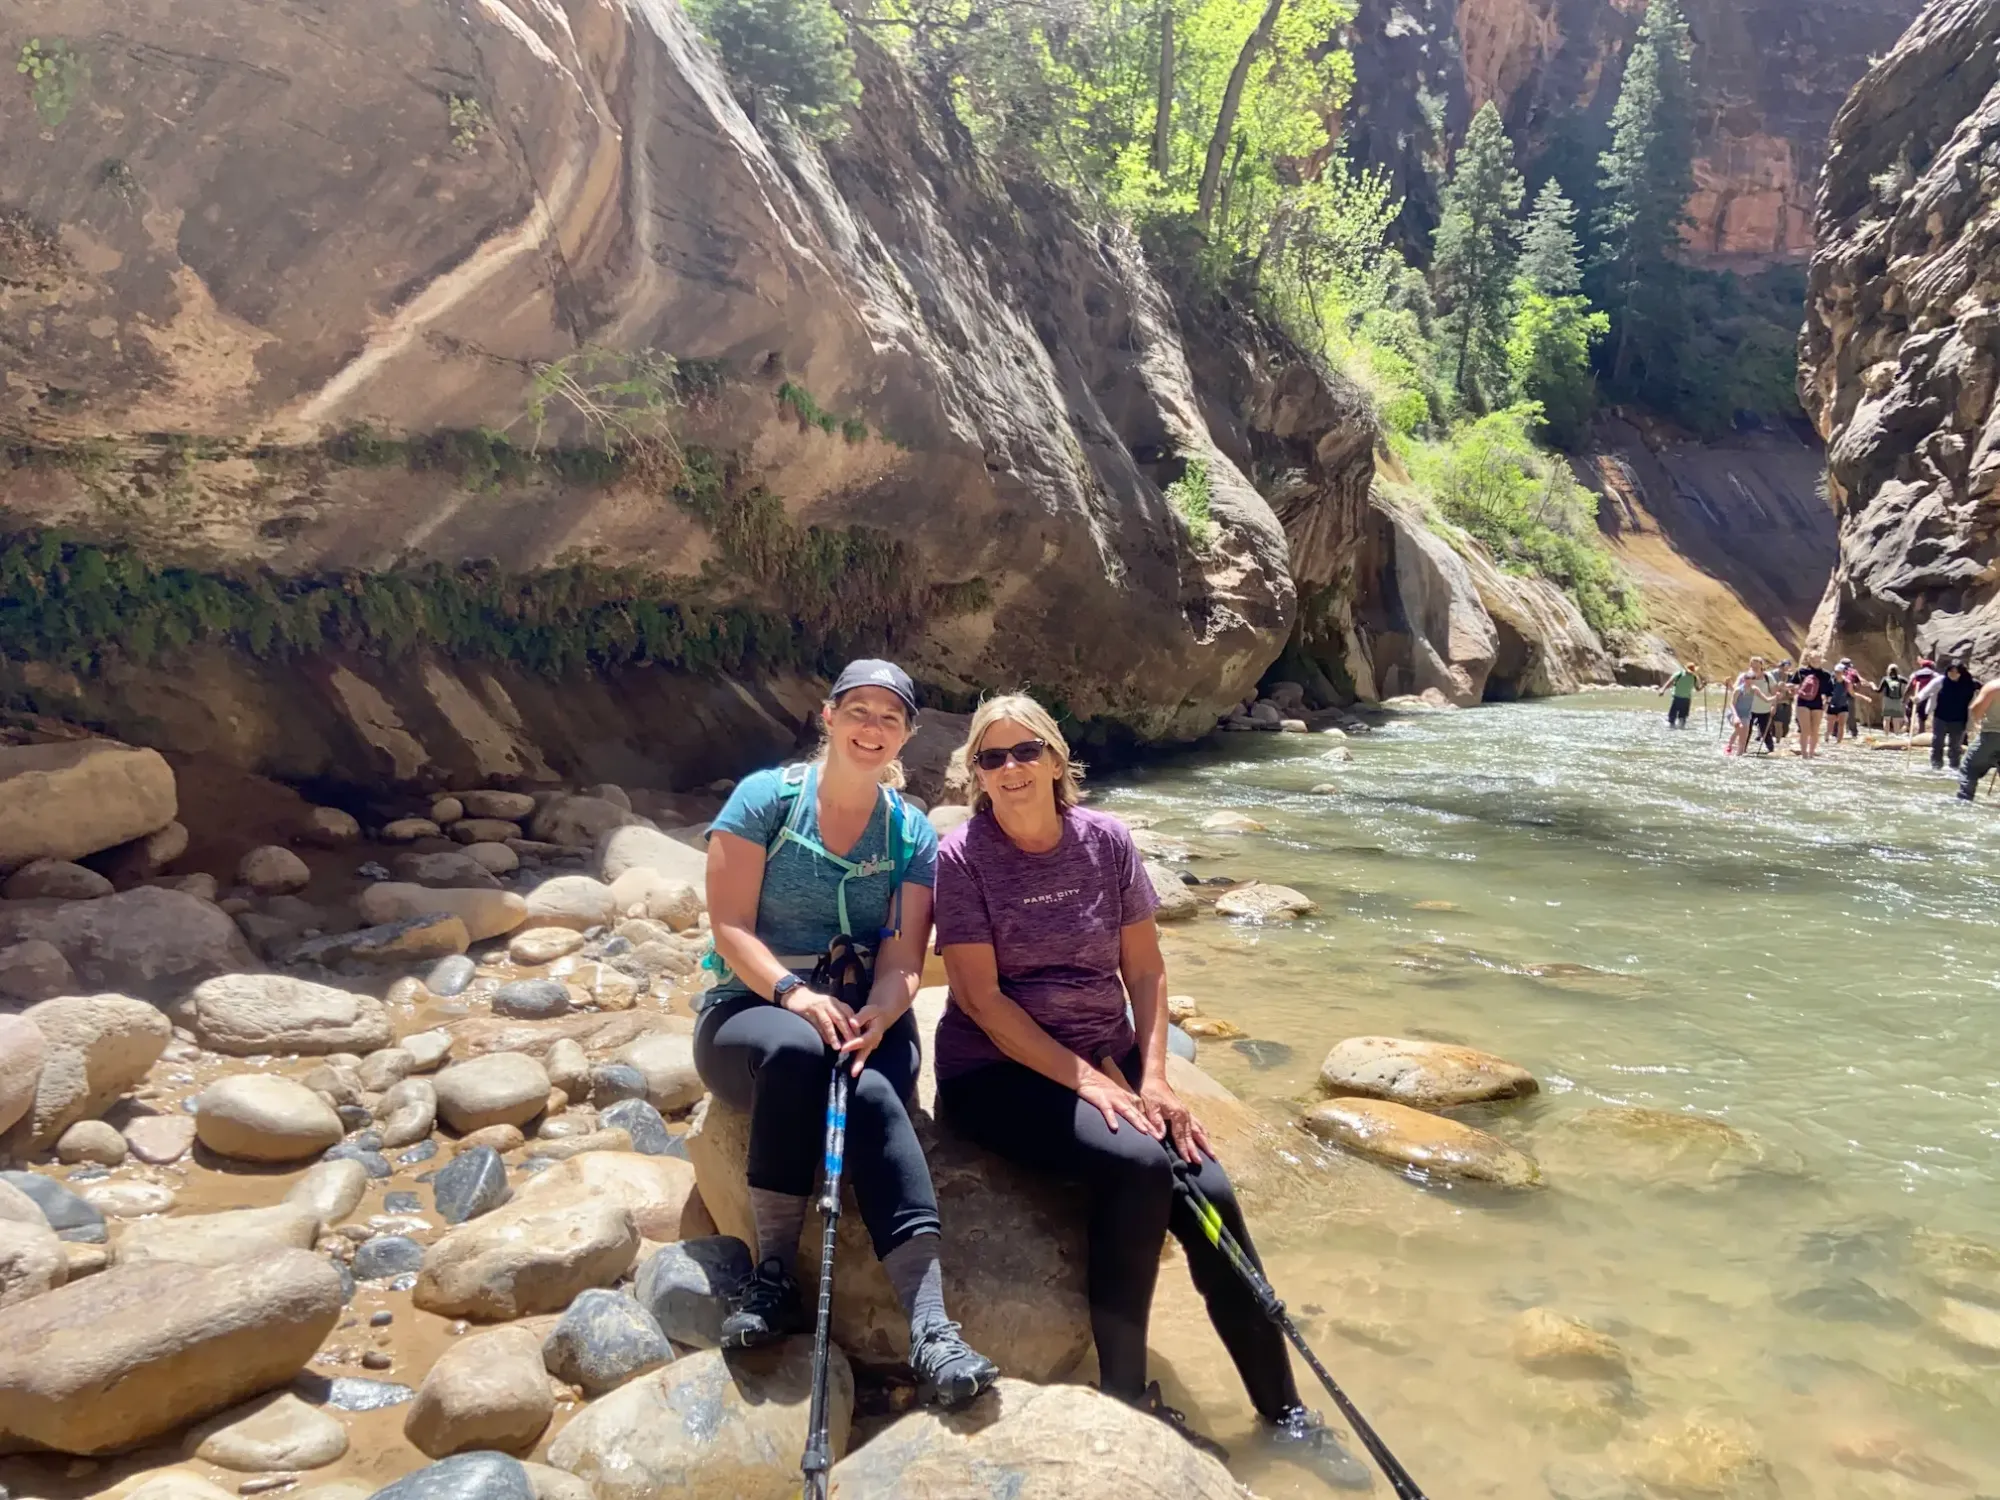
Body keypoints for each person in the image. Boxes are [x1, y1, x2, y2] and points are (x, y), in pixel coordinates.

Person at [931, 694, 1370, 1488]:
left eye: (1024, 752)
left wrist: (1155, 1076)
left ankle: (1285, 1413)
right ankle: (1125, 1397)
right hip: (995, 1074)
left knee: (1210, 1186)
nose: (1009, 771)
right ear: (975, 775)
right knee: (1137, 1165)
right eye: (990, 759)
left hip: (1109, 1053)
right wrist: (1096, 1085)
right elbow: (983, 1002)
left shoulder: (1106, 842)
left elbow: (1145, 969)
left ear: (1057, 760)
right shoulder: (964, 858)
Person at [695, 659, 997, 1407]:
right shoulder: (765, 799)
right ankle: (774, 1281)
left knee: (871, 1095)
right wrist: (795, 994)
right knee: (799, 1051)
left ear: (908, 735)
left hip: (865, 1011)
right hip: (752, 1010)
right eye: (858, 710)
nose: (872, 727)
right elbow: (729, 928)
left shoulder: (909, 833)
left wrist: (881, 1016)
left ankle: (931, 1331)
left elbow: (903, 963)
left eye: (889, 718)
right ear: (827, 717)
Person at [1919, 659, 1979, 771]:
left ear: (1961, 673)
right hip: (1940, 716)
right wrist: (1918, 698)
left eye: (1955, 672)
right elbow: (1927, 690)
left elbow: (1983, 693)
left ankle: (1954, 768)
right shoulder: (1941, 681)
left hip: (1959, 719)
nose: (1952, 674)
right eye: (1950, 671)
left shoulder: (1969, 684)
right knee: (1937, 742)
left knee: (1955, 746)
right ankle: (1936, 766)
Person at [1957, 674, 2000, 800]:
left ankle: (1963, 803)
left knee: (1969, 767)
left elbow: (1976, 708)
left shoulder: (1994, 687)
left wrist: (1977, 722)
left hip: (1991, 736)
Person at [1728, 656, 1774, 757]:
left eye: (1757, 663)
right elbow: (1735, 690)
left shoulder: (1767, 677)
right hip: (1747, 710)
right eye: (1753, 663)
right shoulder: (1743, 677)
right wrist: (1730, 685)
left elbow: (1770, 694)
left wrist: (1775, 702)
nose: (1755, 665)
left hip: (1763, 708)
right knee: (1744, 731)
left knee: (1764, 730)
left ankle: (1771, 750)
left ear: (1762, 665)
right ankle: (1739, 750)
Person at [1791, 652, 1833, 759]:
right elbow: (1792, 684)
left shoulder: (1826, 675)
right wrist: (1789, 688)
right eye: (1814, 660)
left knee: (1815, 730)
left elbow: (1829, 692)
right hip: (1802, 702)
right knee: (1805, 729)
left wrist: (1827, 703)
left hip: (1818, 703)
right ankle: (1804, 754)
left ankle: (1811, 753)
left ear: (1821, 660)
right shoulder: (1801, 672)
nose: (1816, 662)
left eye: (1818, 660)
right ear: (1809, 660)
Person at [1659, 660, 1700, 728]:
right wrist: (1663, 690)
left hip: (1686, 699)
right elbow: (1670, 681)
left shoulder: (1694, 678)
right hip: (1677, 697)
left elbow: (1697, 689)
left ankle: (1680, 730)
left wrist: (1703, 686)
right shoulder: (1679, 674)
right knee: (1672, 717)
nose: (1691, 673)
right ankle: (1671, 729)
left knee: (1683, 718)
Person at [1825, 657, 1857, 744]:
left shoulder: (1834, 676)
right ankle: (1852, 732)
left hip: (1844, 699)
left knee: (1840, 722)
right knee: (1848, 718)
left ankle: (1837, 737)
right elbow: (1859, 682)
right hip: (1845, 698)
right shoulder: (1852, 673)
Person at [1766, 659, 1795, 752]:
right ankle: (1773, 743)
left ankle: (1778, 742)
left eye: (1787, 667)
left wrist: (1788, 690)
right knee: (1774, 724)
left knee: (1783, 725)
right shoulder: (1772, 675)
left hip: (1786, 703)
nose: (1785, 669)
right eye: (1784, 667)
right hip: (1774, 702)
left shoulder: (1791, 677)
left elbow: (1793, 690)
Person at [1909, 657, 1940, 734]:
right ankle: (1934, 732)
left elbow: (1910, 685)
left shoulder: (1915, 674)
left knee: (1920, 716)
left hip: (1919, 697)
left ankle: (1921, 732)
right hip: (1932, 697)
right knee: (1933, 715)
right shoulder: (1935, 675)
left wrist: (1905, 697)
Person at [1877, 665, 1908, 734]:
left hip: (1887, 700)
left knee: (1886, 719)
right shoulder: (1900, 678)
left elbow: (1878, 690)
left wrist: (1872, 685)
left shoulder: (1885, 679)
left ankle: (1886, 735)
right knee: (1896, 719)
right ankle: (1896, 735)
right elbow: (1909, 683)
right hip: (1897, 701)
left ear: (1888, 671)